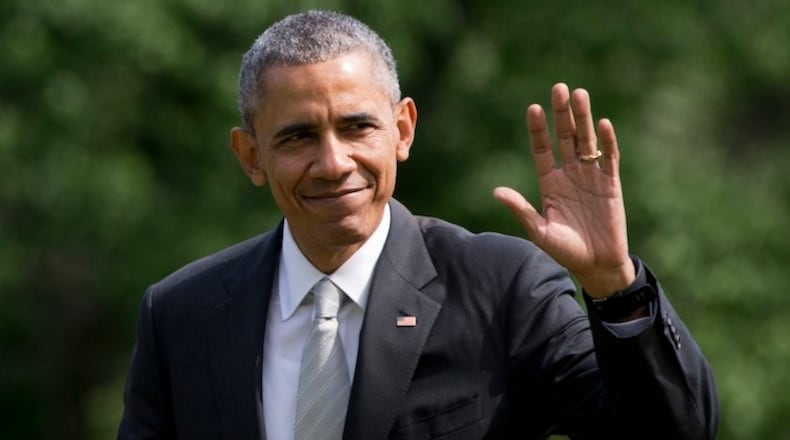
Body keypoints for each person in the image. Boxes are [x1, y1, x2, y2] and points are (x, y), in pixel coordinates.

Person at [117, 9, 719, 440]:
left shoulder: (502, 288)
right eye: (298, 137)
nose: (333, 162)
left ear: (402, 129)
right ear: (251, 156)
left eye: (356, 127)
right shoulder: (181, 315)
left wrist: (614, 284)